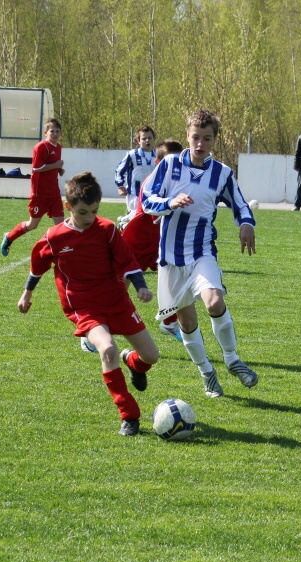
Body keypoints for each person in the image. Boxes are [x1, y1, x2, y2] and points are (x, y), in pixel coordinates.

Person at [17, 171, 159, 436]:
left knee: (151, 356)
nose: (89, 218)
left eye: (94, 211)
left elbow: (127, 260)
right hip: (83, 306)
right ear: (68, 207)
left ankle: (133, 362)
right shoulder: (54, 237)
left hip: (116, 301)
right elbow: (38, 266)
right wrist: (27, 293)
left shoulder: (106, 230)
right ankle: (128, 414)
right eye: (83, 212)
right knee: (107, 349)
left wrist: (141, 286)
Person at [142, 109, 258, 398]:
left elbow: (241, 205)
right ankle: (207, 372)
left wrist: (246, 224)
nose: (200, 143)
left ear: (214, 140)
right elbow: (146, 201)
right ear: (187, 136)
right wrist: (170, 201)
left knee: (215, 300)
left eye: (206, 138)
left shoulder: (222, 173)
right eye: (195, 137)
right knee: (187, 322)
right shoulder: (169, 164)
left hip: (202, 251)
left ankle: (232, 359)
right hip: (170, 258)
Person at [119, 138, 185, 342]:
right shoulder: (152, 181)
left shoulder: (178, 181)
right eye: (170, 161)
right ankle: (94, 325)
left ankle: (169, 322)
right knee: (120, 286)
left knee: (180, 279)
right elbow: (155, 212)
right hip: (138, 239)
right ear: (158, 163)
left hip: (159, 241)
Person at [1, 118, 65, 256]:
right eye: (52, 131)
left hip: (54, 192)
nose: (54, 134)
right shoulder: (41, 147)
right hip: (40, 193)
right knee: (32, 225)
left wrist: (59, 170)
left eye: (57, 131)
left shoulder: (58, 147)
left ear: (61, 134)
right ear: (45, 132)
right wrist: (57, 165)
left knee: (60, 224)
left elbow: (53, 164)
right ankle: (9, 237)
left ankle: (61, 252)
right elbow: (37, 167)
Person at [114, 125, 157, 227]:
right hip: (134, 193)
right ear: (138, 141)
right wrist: (120, 186)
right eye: (144, 138)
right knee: (136, 218)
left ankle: (124, 220)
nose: (147, 140)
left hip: (152, 194)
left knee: (148, 221)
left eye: (150, 138)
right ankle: (124, 224)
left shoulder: (158, 154)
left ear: (154, 139)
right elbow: (119, 170)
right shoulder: (132, 154)